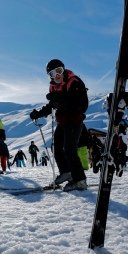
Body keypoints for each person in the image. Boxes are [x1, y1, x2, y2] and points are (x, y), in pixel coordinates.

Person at [29, 59, 89, 191]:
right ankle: (66, 173)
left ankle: (80, 180)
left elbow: (78, 105)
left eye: (59, 71)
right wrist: (38, 114)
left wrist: (58, 99)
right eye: (52, 73)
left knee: (69, 150)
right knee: (56, 148)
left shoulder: (74, 82)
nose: (57, 75)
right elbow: (52, 105)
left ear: (63, 69)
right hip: (62, 122)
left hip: (74, 121)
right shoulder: (53, 86)